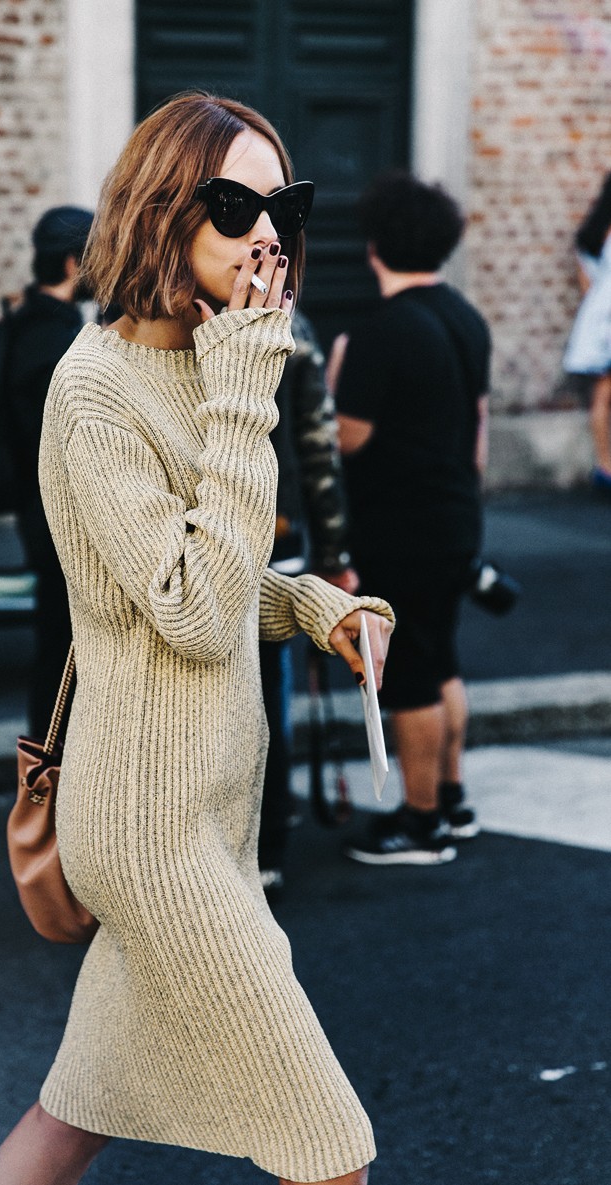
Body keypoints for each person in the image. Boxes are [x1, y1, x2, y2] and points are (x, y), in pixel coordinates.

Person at [0, 92, 395, 1185]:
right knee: (328, 1147)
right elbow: (194, 612)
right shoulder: (95, 390)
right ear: (160, 213)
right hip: (147, 827)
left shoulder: (208, 357)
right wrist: (245, 395)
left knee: (76, 1110)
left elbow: (212, 570)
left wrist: (319, 609)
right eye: (232, 205)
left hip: (209, 811)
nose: (267, 233)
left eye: (284, 206)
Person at [335, 170, 491, 867]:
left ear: (376, 246)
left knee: (409, 676)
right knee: (442, 657)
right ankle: (452, 799)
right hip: (456, 513)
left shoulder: (378, 332)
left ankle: (421, 821)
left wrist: (335, 378)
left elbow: (348, 440)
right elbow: (479, 427)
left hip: (401, 526)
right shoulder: (467, 317)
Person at [258, 308, 355, 900]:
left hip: (197, 536)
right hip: (278, 528)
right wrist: (335, 548)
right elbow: (320, 443)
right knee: (268, 695)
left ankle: (253, 835)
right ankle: (269, 837)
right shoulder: (292, 324)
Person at [6, 206, 94, 737]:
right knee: (66, 656)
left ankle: (43, 774)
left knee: (55, 649)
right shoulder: (61, 338)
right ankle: (49, 780)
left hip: (33, 507)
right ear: (70, 262)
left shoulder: (21, 324)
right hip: (62, 517)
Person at [562, 171, 611, 494]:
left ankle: (604, 466)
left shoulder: (595, 234)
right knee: (604, 395)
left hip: (601, 317)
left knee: (603, 395)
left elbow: (587, 282)